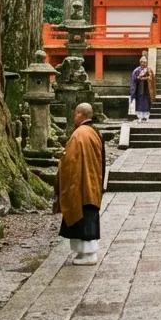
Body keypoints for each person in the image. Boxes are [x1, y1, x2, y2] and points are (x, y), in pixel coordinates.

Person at [54, 102, 105, 265]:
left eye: (76, 113)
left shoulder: (80, 134)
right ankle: (84, 252)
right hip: (91, 180)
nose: (74, 116)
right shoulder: (92, 132)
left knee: (85, 215)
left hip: (82, 182)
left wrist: (62, 162)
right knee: (88, 215)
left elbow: (71, 161)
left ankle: (89, 254)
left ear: (80, 115)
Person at [129, 55, 156, 122]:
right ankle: (140, 117)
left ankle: (146, 117)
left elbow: (152, 79)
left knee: (147, 103)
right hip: (139, 89)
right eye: (142, 62)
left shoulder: (149, 70)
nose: (144, 63)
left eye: (145, 62)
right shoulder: (136, 70)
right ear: (140, 62)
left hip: (147, 89)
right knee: (140, 103)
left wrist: (148, 78)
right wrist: (139, 78)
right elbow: (134, 80)